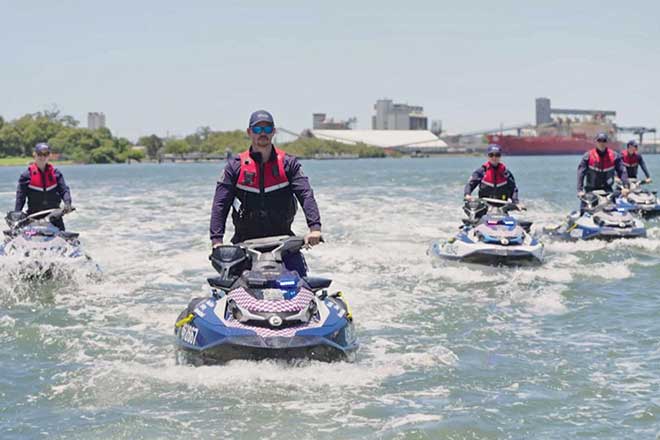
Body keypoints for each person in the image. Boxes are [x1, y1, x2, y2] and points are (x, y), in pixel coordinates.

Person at [209, 110, 322, 277]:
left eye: (267, 129)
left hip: (284, 244)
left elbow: (306, 195)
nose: (263, 133)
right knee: (230, 290)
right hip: (243, 245)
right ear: (249, 132)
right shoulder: (235, 166)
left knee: (303, 287)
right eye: (257, 129)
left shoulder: (289, 164)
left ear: (274, 132)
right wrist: (216, 241)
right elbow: (220, 205)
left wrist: (315, 228)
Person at [14, 143, 72, 230]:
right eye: (40, 154)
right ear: (34, 155)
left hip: (54, 216)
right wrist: (17, 213)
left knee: (65, 237)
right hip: (34, 216)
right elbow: (20, 197)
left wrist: (68, 203)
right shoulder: (26, 176)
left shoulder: (56, 174)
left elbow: (64, 191)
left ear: (49, 156)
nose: (42, 157)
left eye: (46, 154)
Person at [577, 133, 629, 200]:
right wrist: (580, 190)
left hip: (607, 190)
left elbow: (622, 171)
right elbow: (580, 173)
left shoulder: (614, 156)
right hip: (590, 190)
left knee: (614, 206)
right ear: (596, 142)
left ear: (607, 142)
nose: (602, 143)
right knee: (585, 206)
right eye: (599, 140)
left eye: (604, 141)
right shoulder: (588, 156)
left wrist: (626, 187)